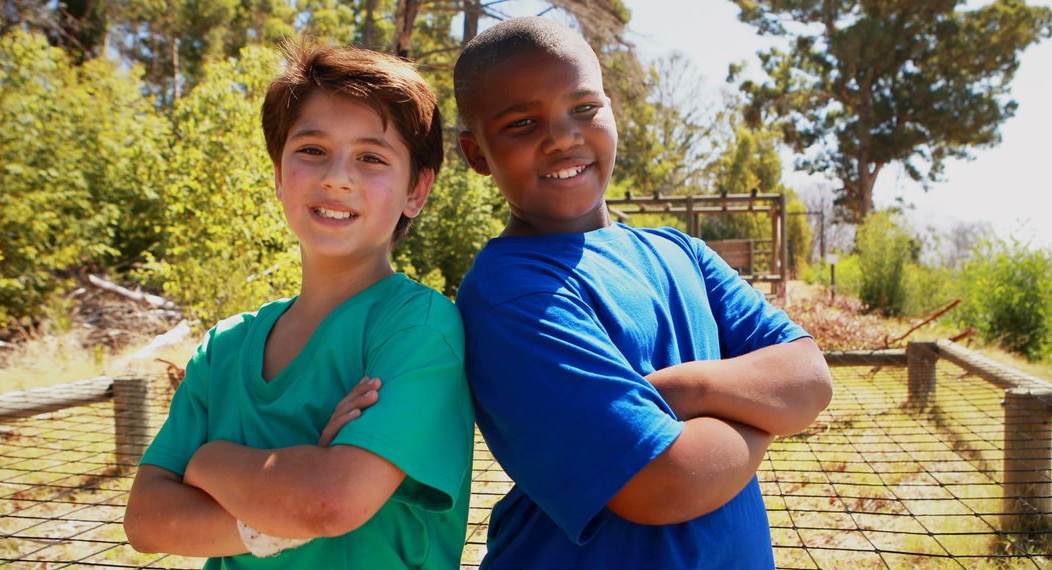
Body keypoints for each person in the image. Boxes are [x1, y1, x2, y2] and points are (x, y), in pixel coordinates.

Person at [453, 17, 833, 569]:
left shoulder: (683, 253)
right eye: (522, 122)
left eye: (584, 108)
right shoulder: (509, 294)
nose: (562, 137)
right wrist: (764, 412)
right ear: (476, 153)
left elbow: (810, 378)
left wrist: (689, 388)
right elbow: (665, 482)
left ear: (611, 110)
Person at [123, 42, 475, 569]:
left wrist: (208, 459)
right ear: (278, 172)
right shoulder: (224, 347)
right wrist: (278, 513)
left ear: (416, 191)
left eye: (372, 157)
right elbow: (146, 519)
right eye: (311, 149)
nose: (337, 175)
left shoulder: (418, 328)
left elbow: (331, 503)